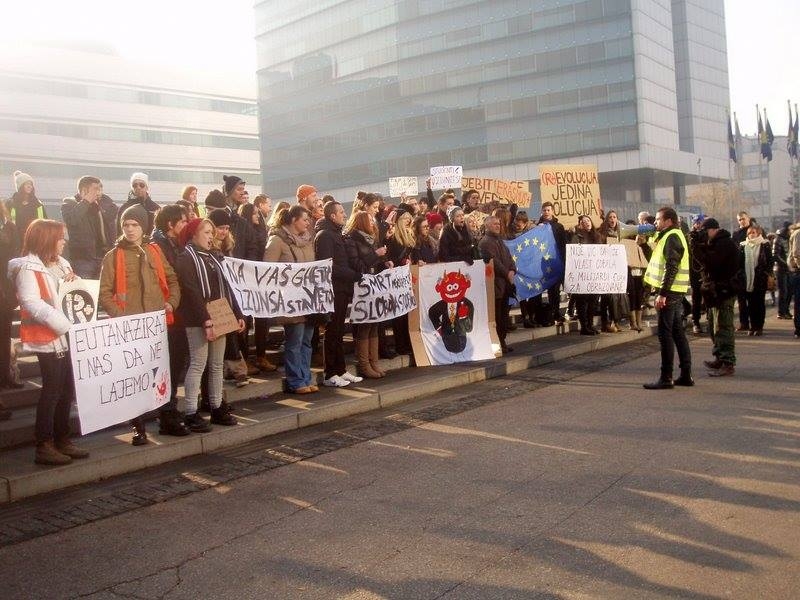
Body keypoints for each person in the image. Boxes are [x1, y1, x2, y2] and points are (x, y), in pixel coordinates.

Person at [99, 205, 181, 445]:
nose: (130, 229)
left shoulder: (153, 251)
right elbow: (104, 293)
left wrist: (171, 303)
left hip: (156, 325)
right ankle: (138, 425)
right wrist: (119, 314)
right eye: (126, 225)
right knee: (134, 378)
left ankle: (166, 417)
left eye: (134, 225)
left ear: (143, 227)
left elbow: (172, 279)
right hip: (130, 328)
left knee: (160, 373)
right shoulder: (113, 256)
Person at [9, 219, 89, 465]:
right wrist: (63, 324)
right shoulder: (27, 268)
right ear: (47, 239)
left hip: (65, 336)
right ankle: (44, 444)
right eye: (60, 237)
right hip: (49, 338)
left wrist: (74, 284)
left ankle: (62, 439)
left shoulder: (62, 263)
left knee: (66, 389)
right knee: (52, 390)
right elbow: (32, 303)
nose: (64, 241)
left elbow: (68, 294)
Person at [176, 218, 244, 431]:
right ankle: (190, 412)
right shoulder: (186, 258)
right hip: (197, 318)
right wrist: (206, 320)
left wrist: (237, 313)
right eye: (206, 232)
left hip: (219, 313)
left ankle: (216, 407)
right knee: (198, 364)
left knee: (216, 365)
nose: (210, 236)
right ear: (193, 234)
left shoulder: (214, 257)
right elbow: (191, 291)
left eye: (211, 232)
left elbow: (227, 286)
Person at [265, 205, 318, 393]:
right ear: (293, 220)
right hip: (291, 299)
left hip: (308, 298)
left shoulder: (308, 240)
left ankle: (306, 377)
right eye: (304, 219)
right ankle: (296, 380)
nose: (308, 223)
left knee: (306, 340)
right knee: (295, 340)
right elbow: (267, 270)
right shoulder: (277, 241)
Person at [150, 204, 191, 436]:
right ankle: (166, 413)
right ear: (170, 224)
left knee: (176, 364)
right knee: (168, 365)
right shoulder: (158, 247)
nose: (186, 225)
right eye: (183, 222)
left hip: (178, 312)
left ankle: (170, 407)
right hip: (167, 314)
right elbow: (170, 278)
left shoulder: (176, 244)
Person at [314, 200, 363, 387]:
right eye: (341, 212)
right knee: (332, 331)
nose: (344, 214)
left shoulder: (337, 233)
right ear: (332, 216)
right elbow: (328, 265)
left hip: (343, 288)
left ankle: (341, 370)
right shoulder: (325, 235)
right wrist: (353, 274)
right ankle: (330, 373)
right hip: (333, 289)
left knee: (339, 331)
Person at [642, 207, 693, 389]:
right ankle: (686, 374)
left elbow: (671, 266)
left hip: (669, 292)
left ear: (669, 221)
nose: (655, 223)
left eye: (658, 220)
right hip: (675, 291)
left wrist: (662, 293)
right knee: (678, 332)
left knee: (665, 334)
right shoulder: (672, 235)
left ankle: (666, 377)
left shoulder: (672, 237)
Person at [691, 218, 739, 376]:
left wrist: (699, 250)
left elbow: (711, 263)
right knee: (713, 326)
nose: (704, 235)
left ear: (713, 230)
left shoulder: (724, 243)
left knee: (723, 327)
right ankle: (719, 356)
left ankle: (727, 362)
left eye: (705, 231)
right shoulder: (714, 243)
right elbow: (701, 266)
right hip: (714, 291)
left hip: (724, 291)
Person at [344, 210, 388, 378]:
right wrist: (375, 255)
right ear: (362, 222)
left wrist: (384, 262)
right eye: (370, 220)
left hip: (374, 285)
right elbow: (357, 265)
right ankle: (364, 364)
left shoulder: (372, 240)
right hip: (361, 288)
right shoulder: (352, 240)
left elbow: (374, 262)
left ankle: (374, 362)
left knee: (375, 324)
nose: (373, 223)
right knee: (365, 326)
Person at [62, 176, 117, 279]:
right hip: (83, 259)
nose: (99, 192)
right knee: (85, 290)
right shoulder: (70, 203)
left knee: (103, 291)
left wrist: (100, 204)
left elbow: (112, 215)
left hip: (104, 256)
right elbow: (72, 220)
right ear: (83, 191)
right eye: (95, 189)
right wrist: (86, 201)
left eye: (100, 188)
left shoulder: (104, 203)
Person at [479, 215, 516, 352]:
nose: (498, 226)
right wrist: (507, 273)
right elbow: (494, 262)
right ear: (487, 226)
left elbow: (508, 257)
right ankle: (498, 343)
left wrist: (512, 269)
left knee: (504, 316)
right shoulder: (486, 242)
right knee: (498, 317)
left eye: (499, 224)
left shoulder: (500, 240)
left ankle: (503, 341)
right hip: (495, 285)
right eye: (494, 224)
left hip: (505, 285)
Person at [531, 202, 567, 326]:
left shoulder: (559, 227)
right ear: (541, 212)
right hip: (540, 264)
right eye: (544, 210)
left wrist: (563, 262)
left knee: (554, 290)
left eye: (548, 210)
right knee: (538, 290)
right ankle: (540, 314)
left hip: (555, 263)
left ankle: (555, 313)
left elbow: (563, 245)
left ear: (552, 211)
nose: (546, 212)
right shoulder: (537, 226)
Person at [0, 200, 21, 408]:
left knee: (5, 336)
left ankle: (5, 376)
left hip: (5, 291)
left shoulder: (6, 228)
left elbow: (12, 242)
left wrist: (6, 215)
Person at [739, 224, 772, 336]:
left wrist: (767, 274)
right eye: (749, 233)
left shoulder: (765, 245)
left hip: (760, 279)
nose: (751, 235)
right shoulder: (743, 246)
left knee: (759, 303)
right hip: (747, 280)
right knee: (751, 304)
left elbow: (769, 262)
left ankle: (759, 326)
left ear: (758, 233)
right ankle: (752, 326)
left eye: (753, 232)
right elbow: (740, 264)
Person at [598, 210, 628, 332]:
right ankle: (605, 323)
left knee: (616, 297)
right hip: (605, 268)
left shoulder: (621, 233)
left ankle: (615, 322)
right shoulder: (601, 233)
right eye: (610, 217)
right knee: (606, 298)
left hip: (617, 269)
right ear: (606, 219)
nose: (612, 219)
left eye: (614, 217)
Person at [570, 215, 601, 335]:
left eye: (588, 220)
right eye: (584, 222)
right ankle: (584, 326)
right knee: (582, 302)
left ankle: (590, 325)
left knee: (592, 302)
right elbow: (574, 253)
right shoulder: (576, 237)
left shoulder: (597, 236)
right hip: (581, 275)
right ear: (580, 225)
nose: (587, 223)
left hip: (594, 274)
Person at [8, 171, 47, 248]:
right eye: (26, 184)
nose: (30, 186)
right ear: (20, 186)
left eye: (31, 184)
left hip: (34, 242)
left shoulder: (38, 204)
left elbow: (45, 223)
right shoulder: (10, 204)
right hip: (15, 242)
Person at [731, 211, 753, 331]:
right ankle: (744, 323)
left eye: (743, 219)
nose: (742, 221)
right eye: (739, 220)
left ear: (748, 218)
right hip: (740, 270)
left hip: (752, 269)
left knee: (752, 298)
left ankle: (755, 323)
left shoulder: (754, 230)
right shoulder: (736, 234)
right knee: (741, 299)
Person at [773, 221, 793, 320]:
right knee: (783, 291)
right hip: (781, 269)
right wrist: (786, 264)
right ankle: (781, 312)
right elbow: (775, 255)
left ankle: (786, 311)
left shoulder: (790, 238)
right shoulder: (778, 239)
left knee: (789, 291)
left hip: (789, 269)